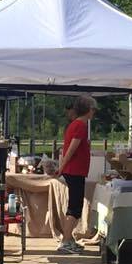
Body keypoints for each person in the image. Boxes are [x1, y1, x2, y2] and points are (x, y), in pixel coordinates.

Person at [51, 95, 95, 253]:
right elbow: (71, 149)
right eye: (93, 109)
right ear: (88, 110)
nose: (94, 112)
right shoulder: (80, 126)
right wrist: (62, 166)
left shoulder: (77, 125)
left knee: (75, 205)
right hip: (74, 171)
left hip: (75, 170)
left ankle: (68, 239)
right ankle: (65, 240)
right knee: (75, 207)